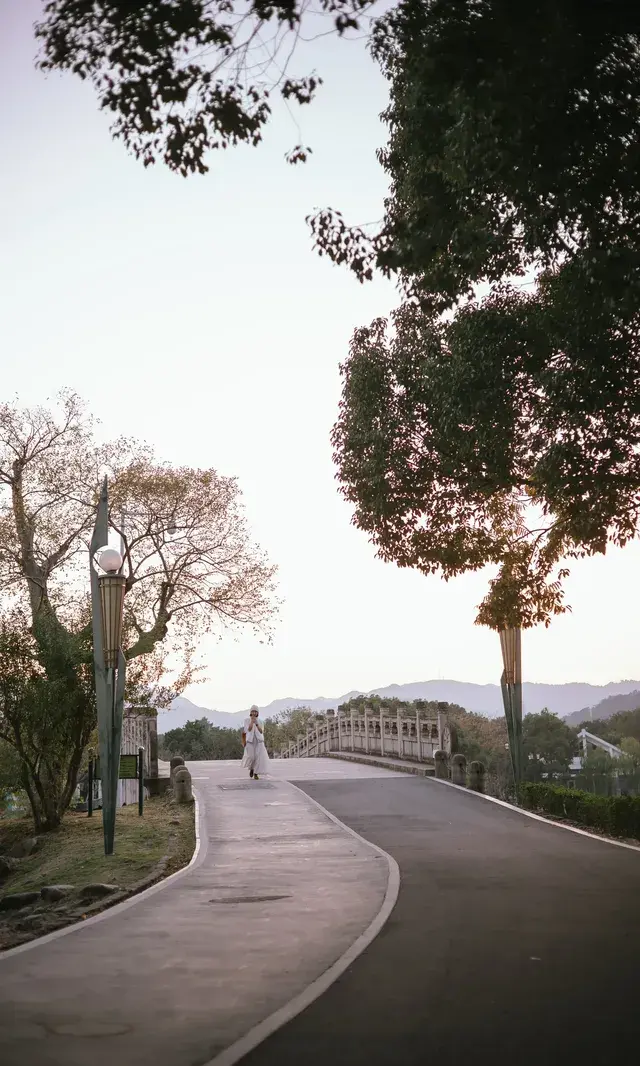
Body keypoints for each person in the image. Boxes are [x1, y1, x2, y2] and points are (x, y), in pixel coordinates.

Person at [241, 705, 270, 780]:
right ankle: (252, 768)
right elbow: (248, 730)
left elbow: (261, 731)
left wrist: (256, 723)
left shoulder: (260, 721)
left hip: (258, 741)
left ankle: (256, 773)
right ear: (250, 712)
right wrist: (252, 721)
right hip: (250, 741)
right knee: (251, 757)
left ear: (257, 713)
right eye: (252, 711)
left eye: (255, 711)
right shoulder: (246, 720)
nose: (254, 713)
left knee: (258, 758)